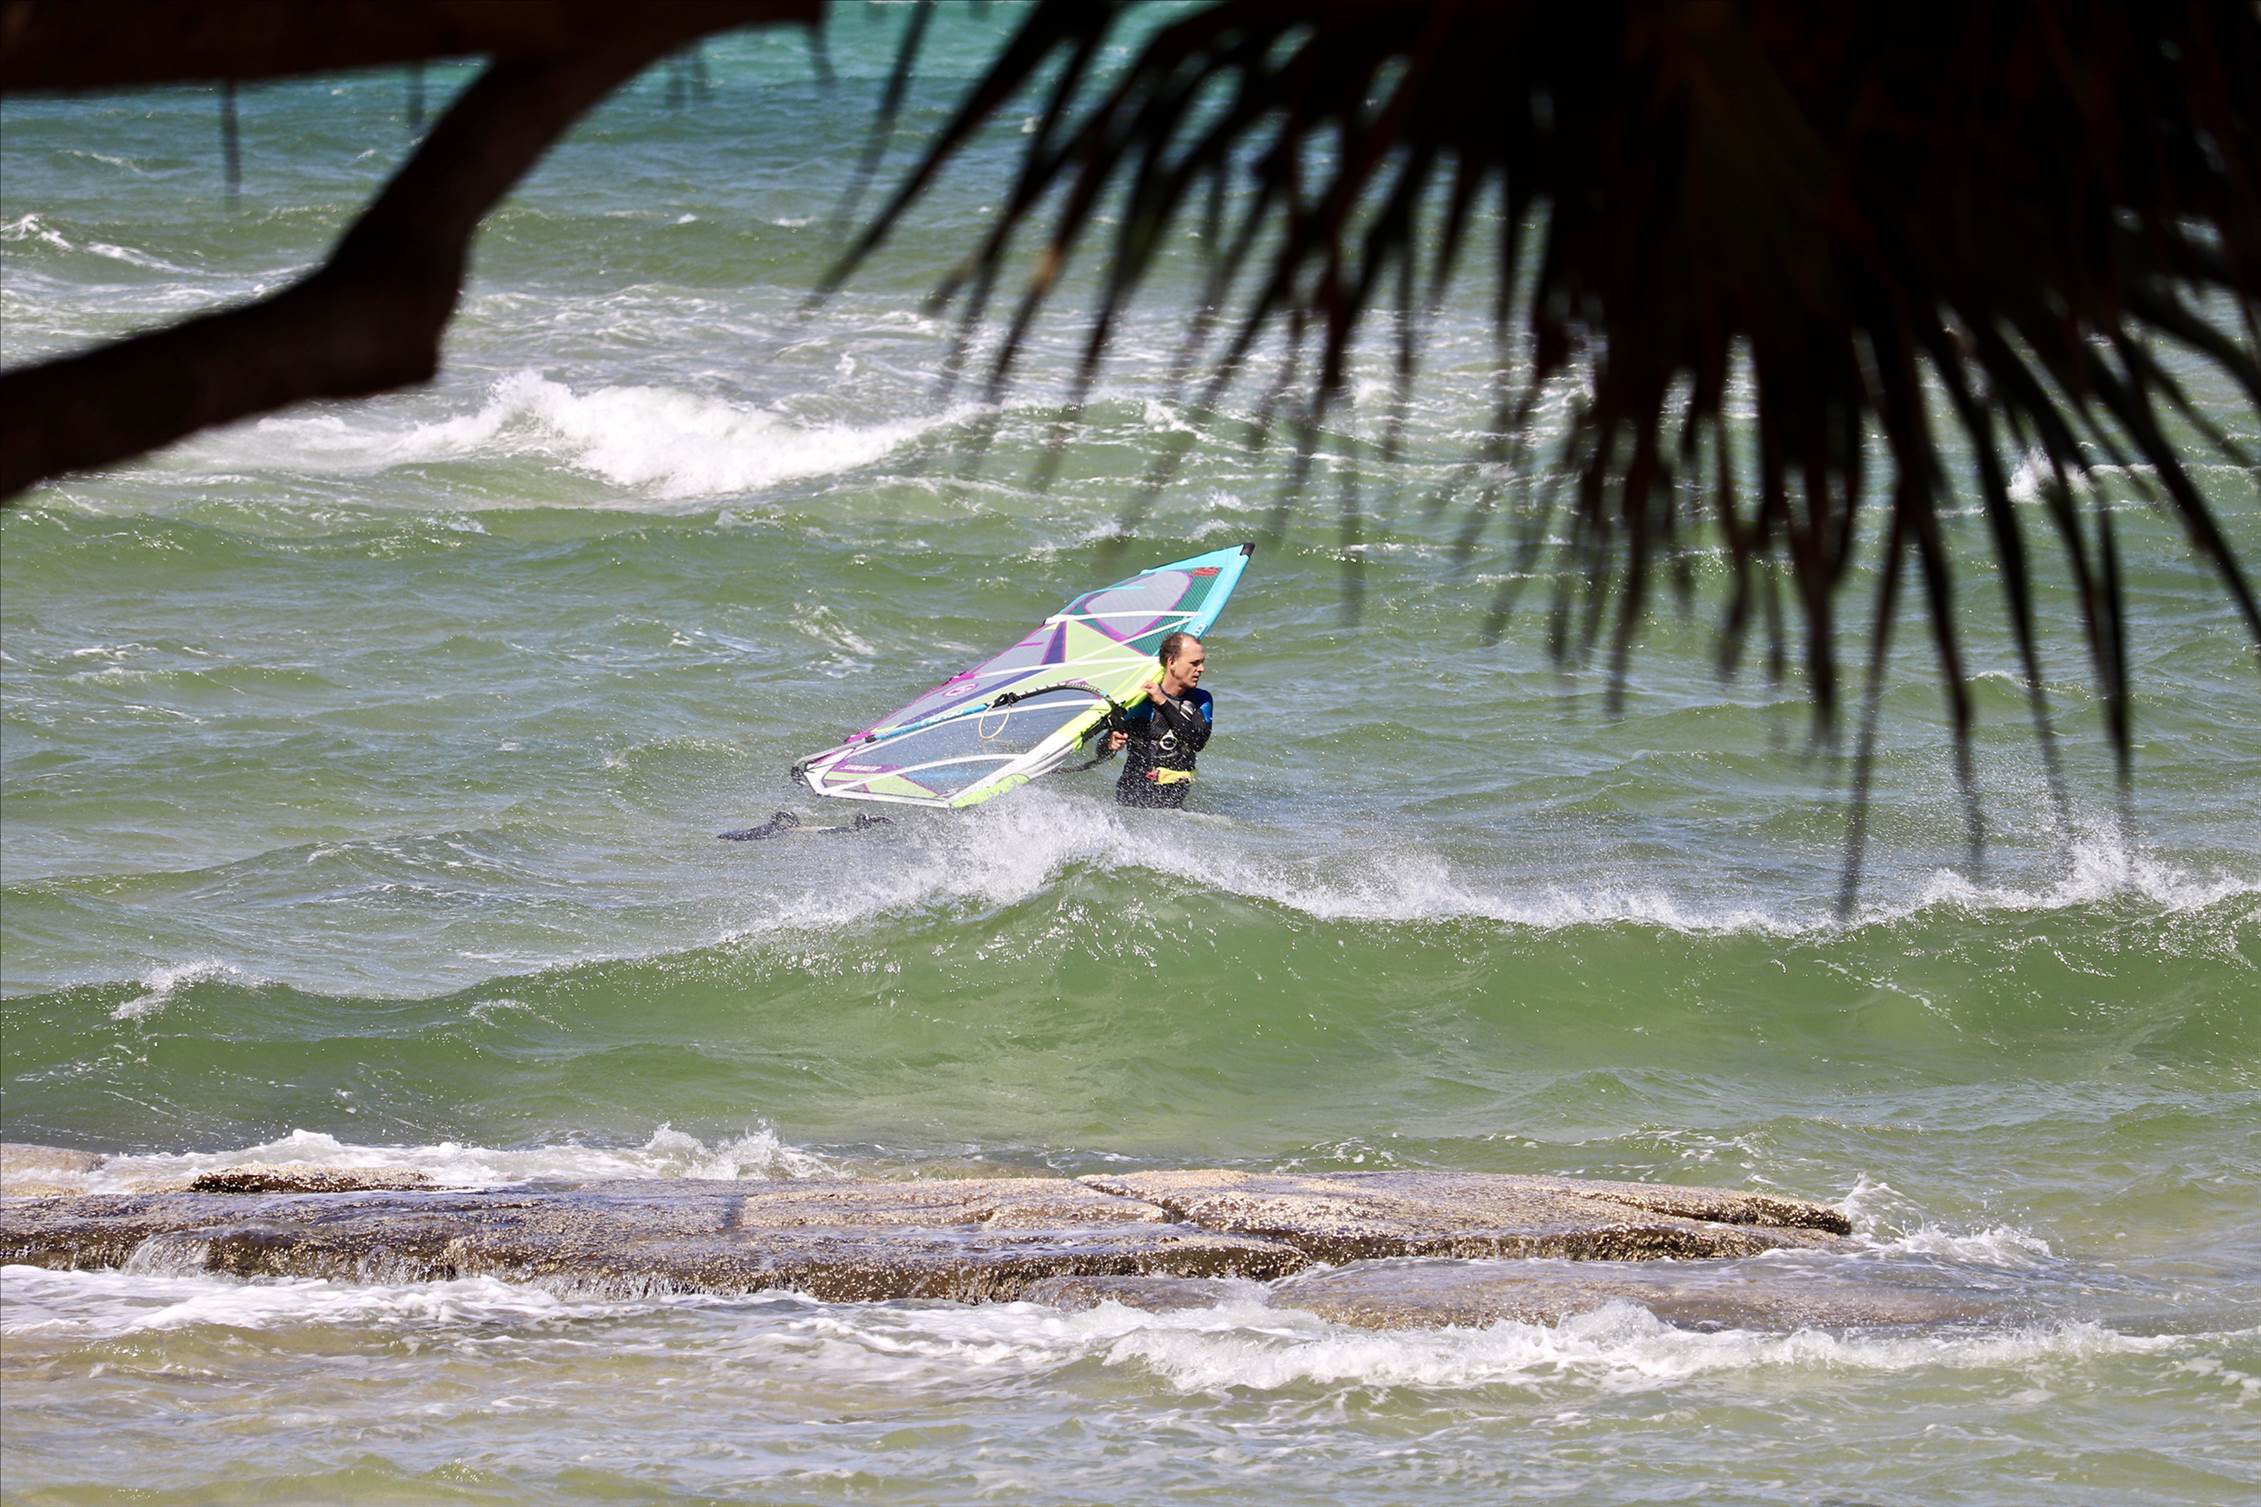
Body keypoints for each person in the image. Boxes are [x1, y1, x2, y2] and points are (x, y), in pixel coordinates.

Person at [1102, 632, 1212, 808]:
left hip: (1171, 807)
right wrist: (1110, 744)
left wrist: (1162, 701)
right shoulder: (1140, 701)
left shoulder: (1200, 700)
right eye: (1194, 663)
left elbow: (1196, 741)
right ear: (1171, 663)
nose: (1201, 669)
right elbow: (1102, 749)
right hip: (1132, 802)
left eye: (1202, 662)